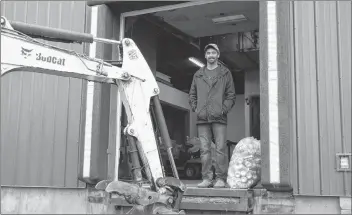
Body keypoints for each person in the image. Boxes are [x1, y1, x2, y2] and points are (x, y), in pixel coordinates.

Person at [188, 43, 236, 188]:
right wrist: (196, 108)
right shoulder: (198, 74)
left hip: (219, 117)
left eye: (213, 53)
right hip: (202, 118)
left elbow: (231, 95)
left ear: (218, 55)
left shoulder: (225, 73)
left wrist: (223, 109)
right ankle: (207, 179)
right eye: (208, 53)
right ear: (205, 56)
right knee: (204, 150)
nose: (211, 55)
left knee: (220, 148)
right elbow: (192, 94)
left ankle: (221, 178)